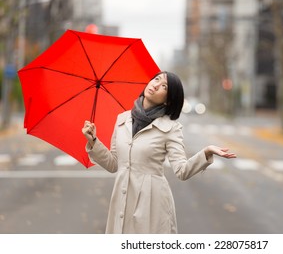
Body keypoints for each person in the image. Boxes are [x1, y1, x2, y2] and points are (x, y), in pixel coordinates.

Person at [82, 71, 236, 234]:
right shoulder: (122, 119)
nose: (156, 85)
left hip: (152, 202)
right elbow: (114, 164)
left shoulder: (170, 128)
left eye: (164, 86)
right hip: (121, 199)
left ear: (168, 100)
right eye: (156, 79)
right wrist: (93, 141)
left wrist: (206, 152)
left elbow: (182, 171)